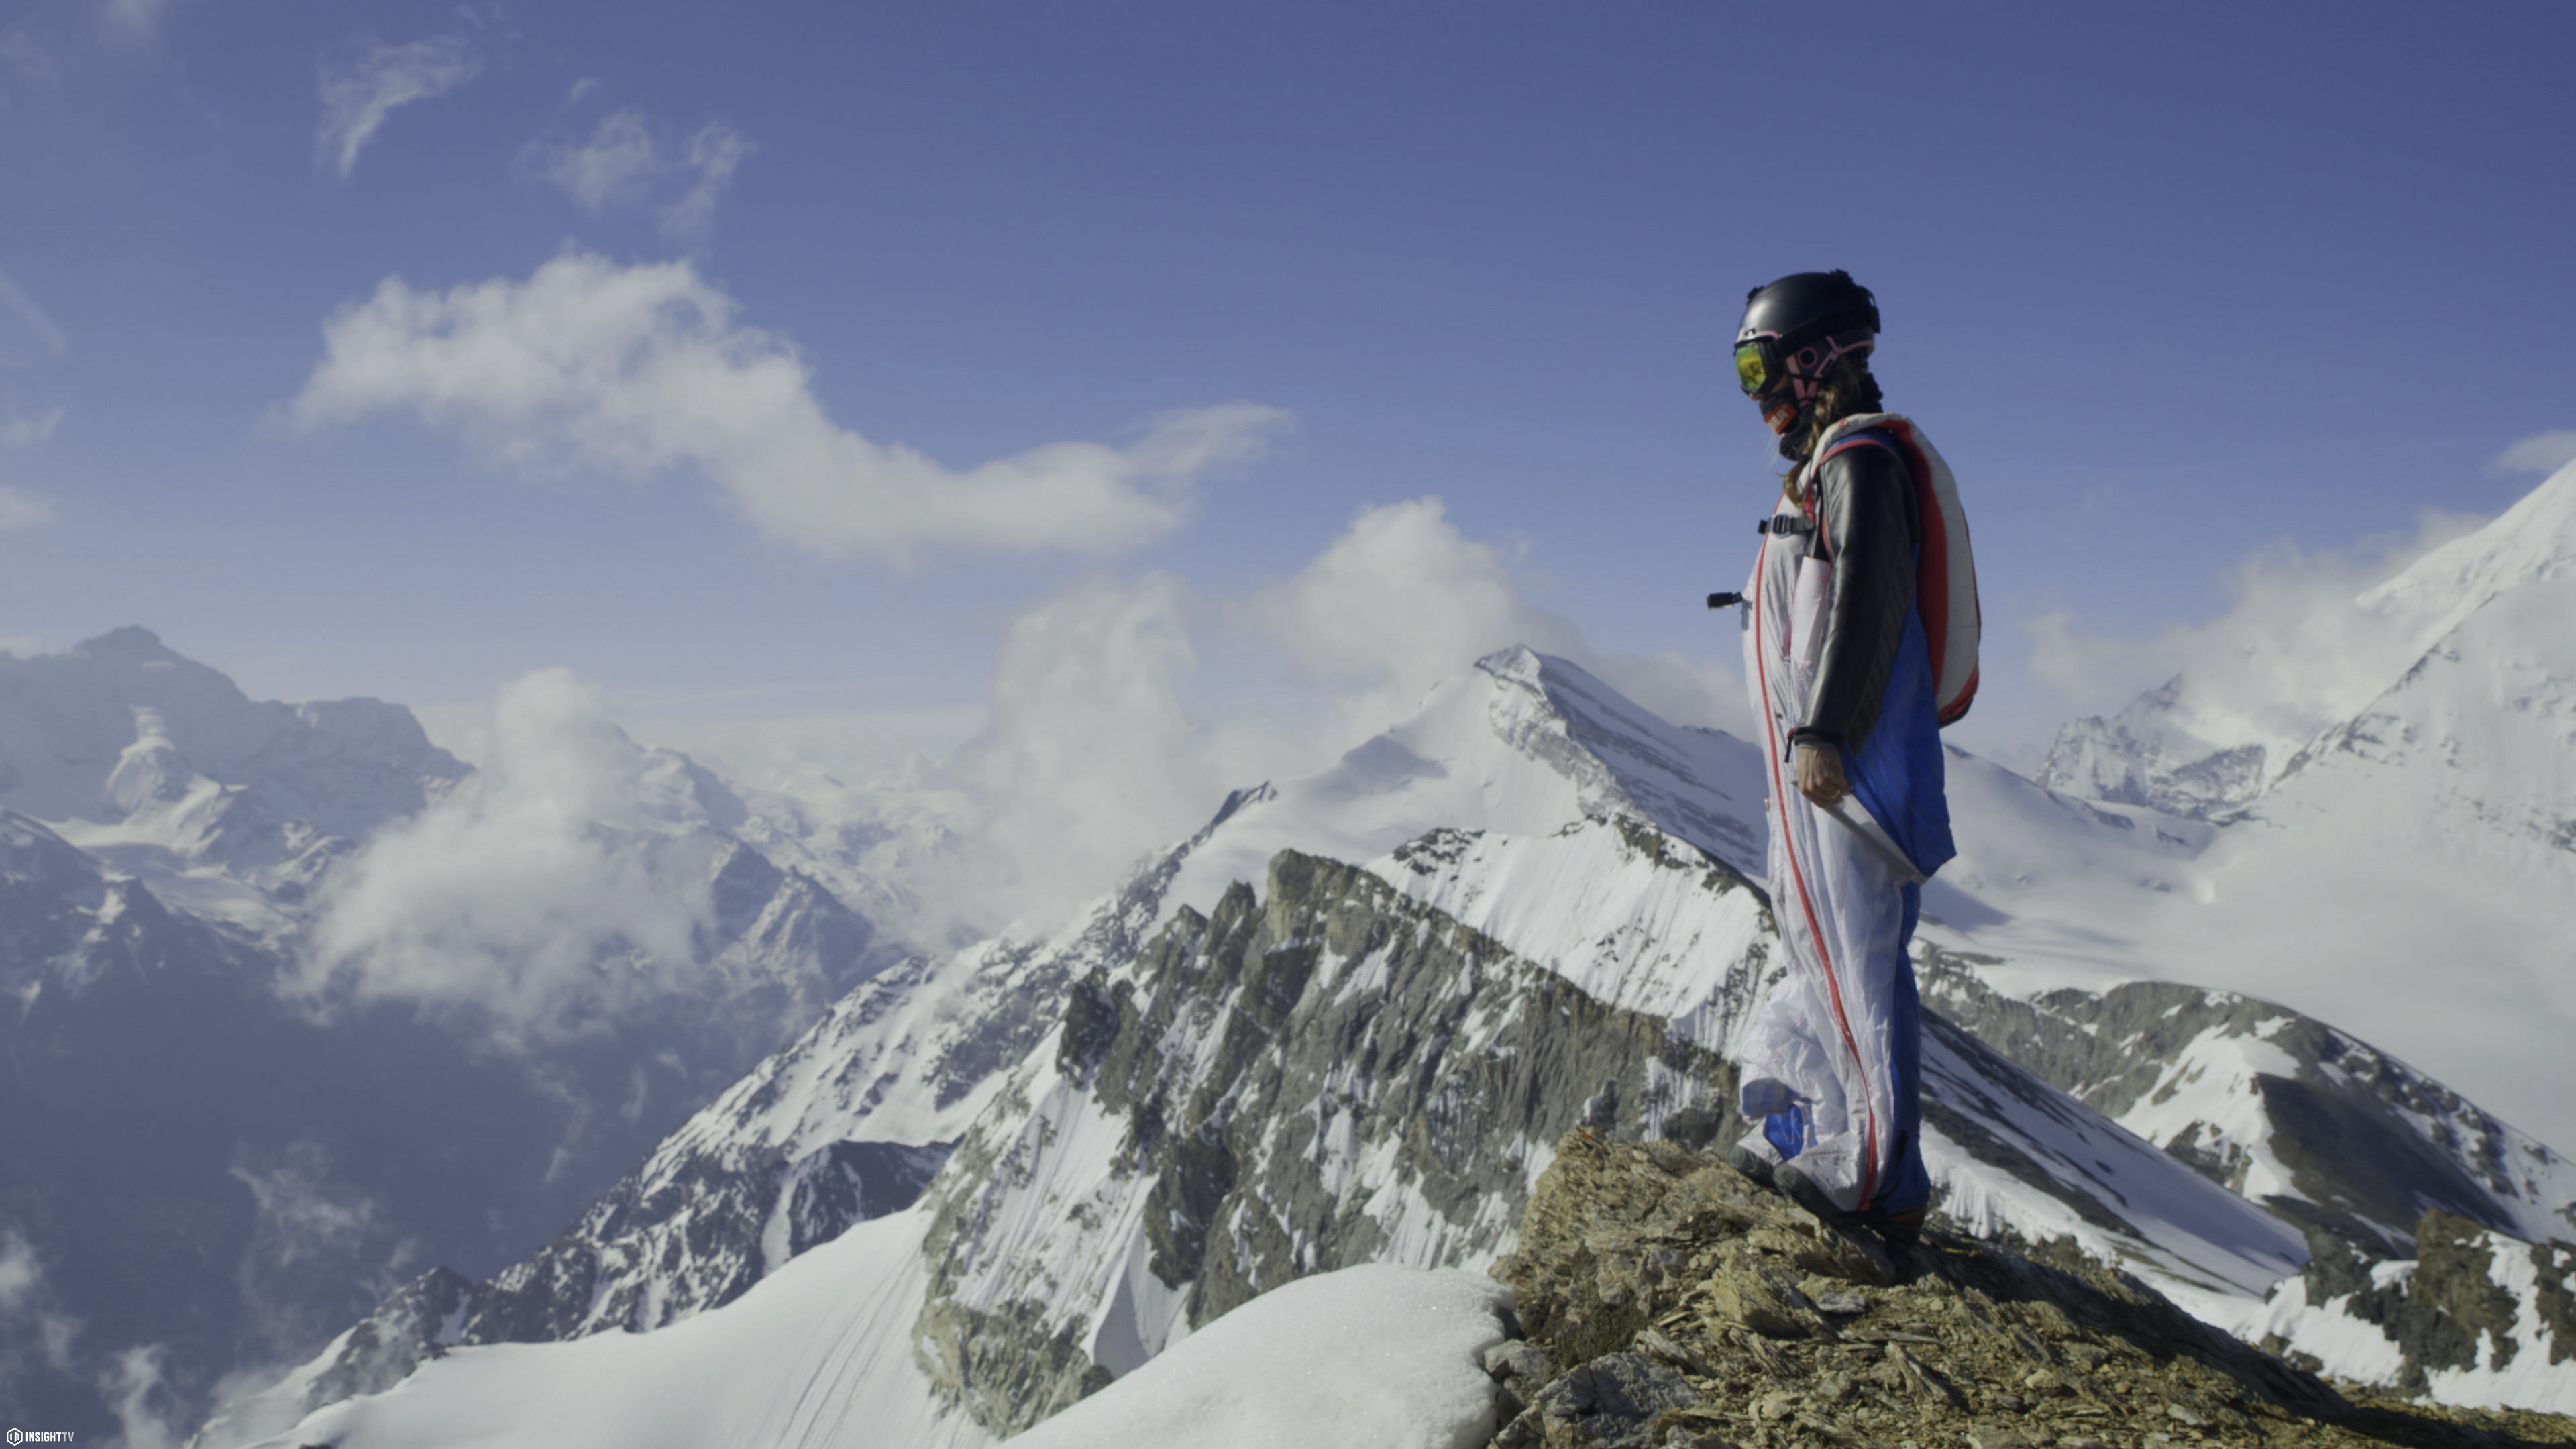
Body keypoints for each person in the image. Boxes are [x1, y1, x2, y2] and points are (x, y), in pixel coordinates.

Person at [1723, 270, 1964, 1245]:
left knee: (1858, 967)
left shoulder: (1860, 461)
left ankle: (1876, 1181)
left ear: (1811, 356)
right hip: (1812, 772)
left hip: (1843, 772)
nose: (1756, 395)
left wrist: (1823, 732)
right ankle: (1805, 1130)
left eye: (1758, 367)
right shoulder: (1829, 465)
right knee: (1814, 952)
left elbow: (1866, 599)